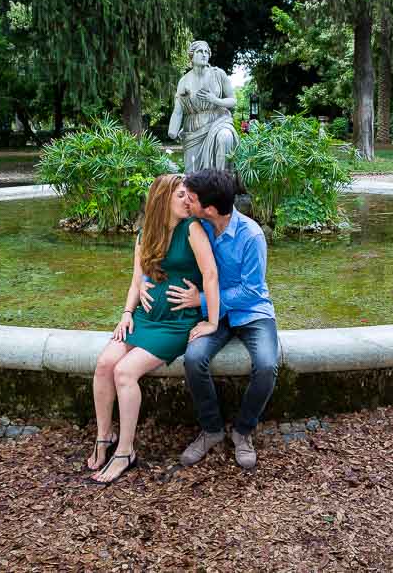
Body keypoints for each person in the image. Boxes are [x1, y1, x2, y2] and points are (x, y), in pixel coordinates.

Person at [141, 168, 278, 469]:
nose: (186, 202)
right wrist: (142, 282)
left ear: (211, 208)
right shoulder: (196, 225)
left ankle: (243, 431)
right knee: (194, 359)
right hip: (210, 314)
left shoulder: (251, 236)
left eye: (191, 199)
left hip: (251, 312)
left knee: (267, 366)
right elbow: (156, 248)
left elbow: (251, 290)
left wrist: (199, 299)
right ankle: (212, 429)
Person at [87, 174, 220, 484]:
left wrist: (210, 319)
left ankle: (125, 451)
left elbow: (211, 275)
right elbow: (137, 280)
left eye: (189, 196)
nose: (189, 202)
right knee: (105, 363)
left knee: (125, 372)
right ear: (163, 200)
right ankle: (103, 437)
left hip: (176, 323)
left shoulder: (193, 230)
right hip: (145, 319)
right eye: (182, 196)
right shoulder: (145, 234)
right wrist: (125, 313)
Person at [168, 41, 240, 174]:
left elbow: (233, 101)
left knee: (225, 137)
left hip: (218, 121)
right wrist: (172, 131)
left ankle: (221, 183)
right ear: (191, 55)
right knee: (193, 174)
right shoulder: (184, 81)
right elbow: (178, 111)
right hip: (194, 128)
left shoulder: (218, 74)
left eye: (206, 52)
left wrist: (215, 100)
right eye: (200, 52)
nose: (204, 55)